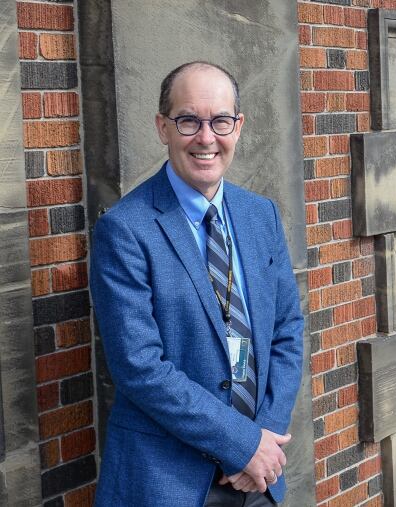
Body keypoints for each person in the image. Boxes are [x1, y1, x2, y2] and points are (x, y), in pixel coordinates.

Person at [89, 61, 303, 506]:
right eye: (188, 121)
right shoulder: (125, 230)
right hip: (169, 482)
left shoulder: (260, 215)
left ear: (238, 127)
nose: (206, 138)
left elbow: (287, 330)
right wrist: (243, 445)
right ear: (162, 127)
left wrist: (264, 439)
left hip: (259, 481)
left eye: (220, 120)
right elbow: (139, 367)